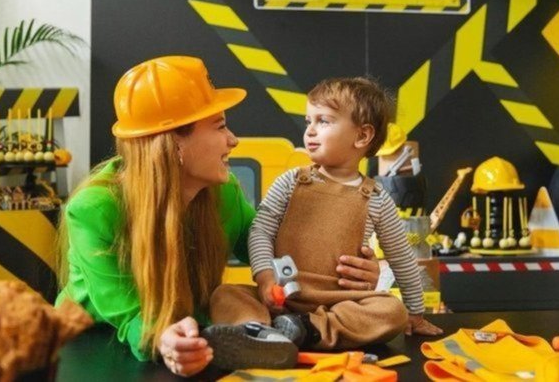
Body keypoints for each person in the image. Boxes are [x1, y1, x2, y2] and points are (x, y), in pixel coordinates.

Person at [55, 56, 380, 377]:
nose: (233, 140)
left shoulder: (224, 194)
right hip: (90, 350)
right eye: (220, 126)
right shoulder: (93, 210)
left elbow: (277, 253)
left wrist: (349, 269)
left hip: (189, 340)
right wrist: (163, 339)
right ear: (174, 143)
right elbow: (129, 317)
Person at [209, 77, 443, 353]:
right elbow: (261, 230)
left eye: (323, 121)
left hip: (340, 304)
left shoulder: (376, 199)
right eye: (309, 121)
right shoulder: (290, 182)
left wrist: (414, 312)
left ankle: (308, 330)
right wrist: (264, 278)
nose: (310, 131)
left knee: (392, 311)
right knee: (225, 294)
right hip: (281, 297)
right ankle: (260, 331)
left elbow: (401, 257)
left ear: (362, 136)